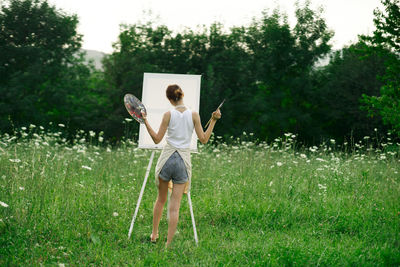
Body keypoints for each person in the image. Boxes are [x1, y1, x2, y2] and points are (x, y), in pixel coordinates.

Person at [141, 84, 221, 247]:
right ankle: (168, 244)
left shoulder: (168, 114)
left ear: (170, 99)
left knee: (161, 200)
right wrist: (213, 120)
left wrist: (145, 121)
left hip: (167, 159)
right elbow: (204, 139)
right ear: (182, 95)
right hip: (183, 162)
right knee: (174, 206)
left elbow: (157, 139)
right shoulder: (194, 115)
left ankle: (154, 234)